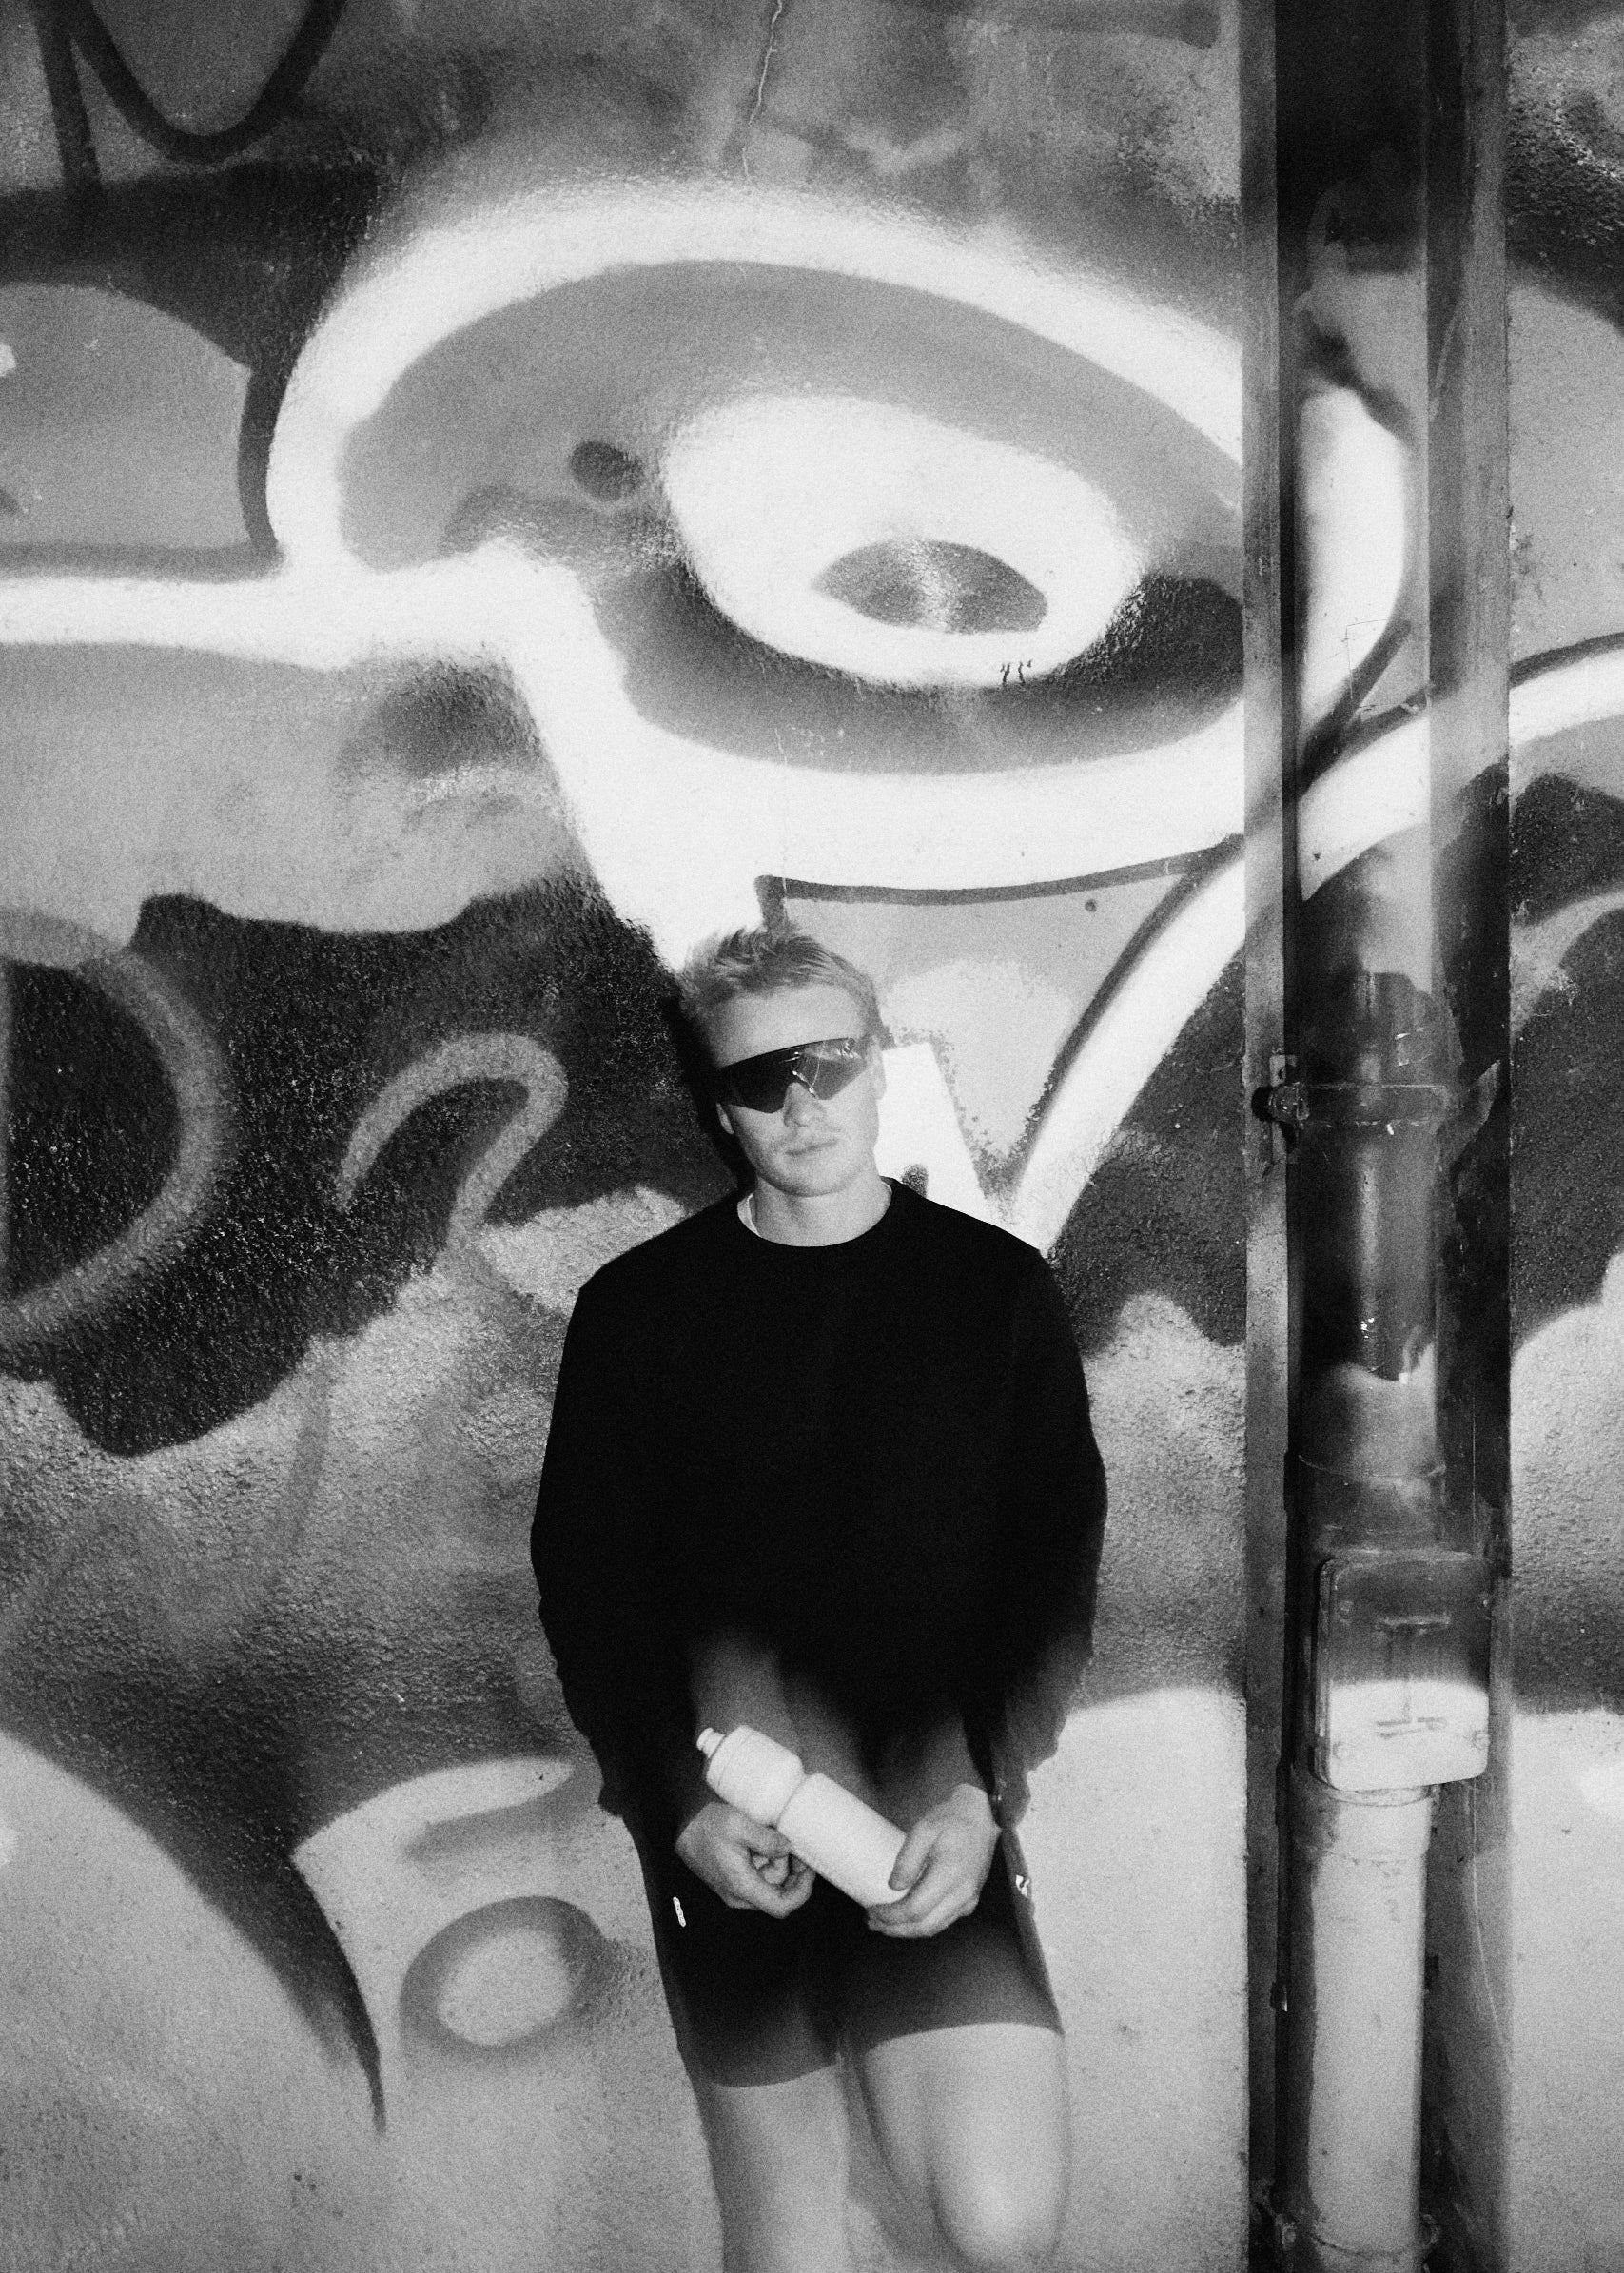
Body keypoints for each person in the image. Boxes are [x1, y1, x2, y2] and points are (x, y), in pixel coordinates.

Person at [532, 923, 1106, 2273]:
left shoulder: (993, 1294)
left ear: (879, 1065)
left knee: (1002, 2222)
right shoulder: (638, 1312)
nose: (802, 1105)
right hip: (736, 1816)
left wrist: (985, 1788)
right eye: (760, 1078)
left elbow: (1051, 1568)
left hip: (928, 1809)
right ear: (716, 1105)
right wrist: (677, 1802)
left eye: (830, 1062)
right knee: (790, 2247)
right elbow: (592, 1586)